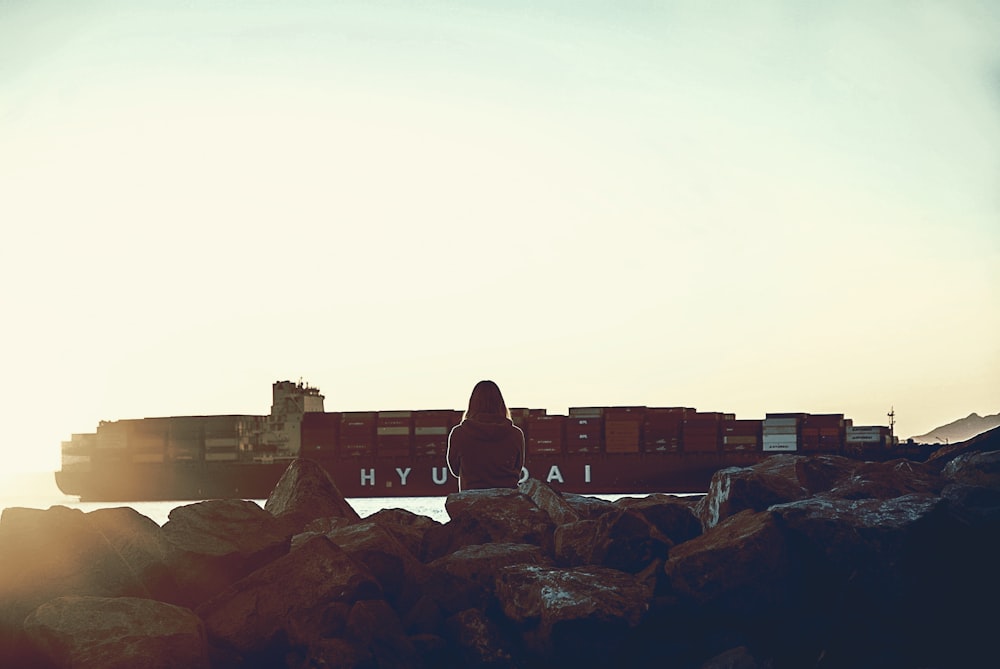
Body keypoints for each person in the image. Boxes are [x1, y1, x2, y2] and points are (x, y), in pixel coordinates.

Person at [446, 380, 525, 492]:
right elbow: (517, 469)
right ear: (501, 404)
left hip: (471, 498)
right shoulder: (516, 434)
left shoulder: (459, 433)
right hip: (507, 498)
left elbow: (455, 471)